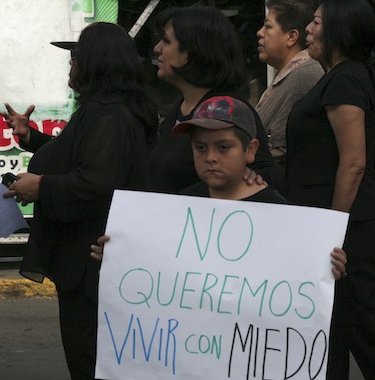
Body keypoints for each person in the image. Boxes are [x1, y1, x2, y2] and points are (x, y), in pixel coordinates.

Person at [2, 22, 158, 380]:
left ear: (95, 62)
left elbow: (95, 182)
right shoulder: (101, 109)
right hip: (86, 264)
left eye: (76, 57)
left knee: (90, 360)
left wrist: (41, 187)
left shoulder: (110, 115)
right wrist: (31, 138)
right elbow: (75, 158)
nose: (70, 65)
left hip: (92, 266)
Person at [285, 0, 375, 378]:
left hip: (350, 231)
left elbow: (354, 163)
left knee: (367, 327)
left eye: (315, 22)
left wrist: (332, 231)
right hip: (344, 227)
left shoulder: (345, 79)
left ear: (339, 30)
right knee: (336, 328)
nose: (308, 30)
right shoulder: (341, 76)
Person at [92, 96, 348, 281]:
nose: (210, 157)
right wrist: (121, 258)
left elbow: (299, 270)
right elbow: (159, 261)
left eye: (223, 147)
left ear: (250, 150)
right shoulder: (182, 206)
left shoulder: (275, 210)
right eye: (200, 148)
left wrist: (326, 268)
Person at [148, 6, 285, 194]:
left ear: (191, 52)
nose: (157, 49)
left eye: (166, 41)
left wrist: (251, 176)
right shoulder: (180, 107)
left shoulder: (227, 109)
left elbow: (269, 176)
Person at [255, 0, 324, 170]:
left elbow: (280, 148)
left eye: (268, 27)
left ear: (291, 37)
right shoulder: (292, 73)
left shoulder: (304, 75)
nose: (259, 33)